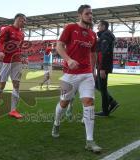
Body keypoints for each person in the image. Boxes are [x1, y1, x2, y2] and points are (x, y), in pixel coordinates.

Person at [51, 5, 102, 153]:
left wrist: (93, 71)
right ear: (80, 15)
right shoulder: (70, 28)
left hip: (86, 74)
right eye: (87, 13)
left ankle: (90, 141)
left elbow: (93, 55)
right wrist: (68, 59)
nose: (90, 16)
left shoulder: (93, 35)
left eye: (91, 14)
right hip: (70, 73)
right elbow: (59, 46)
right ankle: (56, 122)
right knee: (64, 103)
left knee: (89, 102)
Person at [0, 13, 27, 119]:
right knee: (2, 85)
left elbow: (20, 48)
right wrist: (0, 52)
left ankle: (13, 110)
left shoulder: (22, 34)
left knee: (17, 84)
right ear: (18, 19)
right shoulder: (7, 29)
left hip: (17, 61)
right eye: (23, 20)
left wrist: (23, 57)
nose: (24, 22)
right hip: (6, 61)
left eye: (25, 21)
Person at [95, 20, 119, 117]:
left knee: (103, 88)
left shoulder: (105, 36)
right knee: (98, 85)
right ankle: (112, 102)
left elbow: (104, 53)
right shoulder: (106, 36)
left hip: (103, 67)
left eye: (99, 26)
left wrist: (102, 69)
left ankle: (105, 111)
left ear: (104, 26)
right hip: (102, 66)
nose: (98, 28)